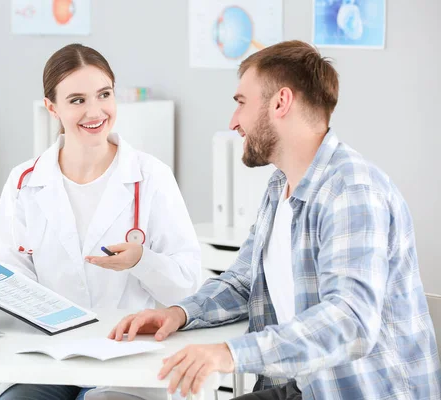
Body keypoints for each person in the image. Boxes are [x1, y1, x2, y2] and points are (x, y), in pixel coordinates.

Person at [110, 40, 441, 400]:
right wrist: (180, 313)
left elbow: (350, 321)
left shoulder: (352, 190)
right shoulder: (280, 185)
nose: (233, 122)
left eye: (240, 103)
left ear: (281, 102)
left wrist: (230, 353)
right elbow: (243, 281)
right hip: (305, 386)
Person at [0, 43, 202, 400]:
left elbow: (189, 286)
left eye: (104, 94)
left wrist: (141, 261)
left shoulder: (151, 177)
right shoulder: (24, 181)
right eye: (77, 100)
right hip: (49, 355)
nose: (95, 111)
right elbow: (7, 271)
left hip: (126, 357)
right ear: (52, 107)